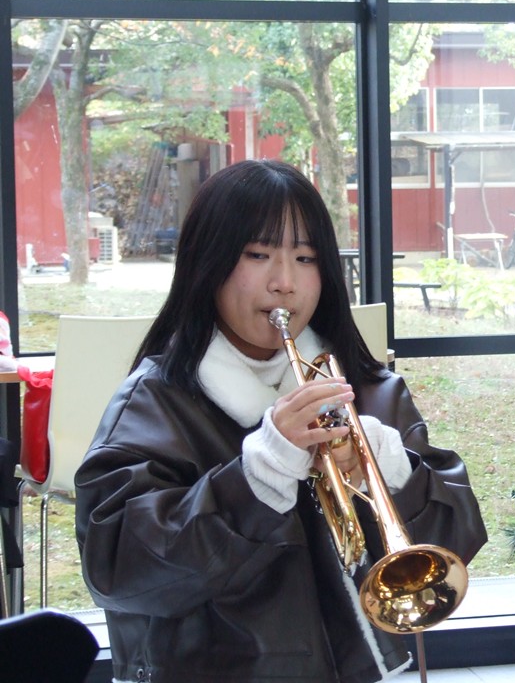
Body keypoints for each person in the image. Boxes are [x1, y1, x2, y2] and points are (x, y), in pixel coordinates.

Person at [75, 159, 487, 683]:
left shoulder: (369, 390)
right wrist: (256, 478)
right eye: (258, 254)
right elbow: (116, 571)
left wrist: (384, 468)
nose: (285, 283)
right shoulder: (154, 400)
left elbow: (456, 537)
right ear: (208, 262)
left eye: (305, 258)